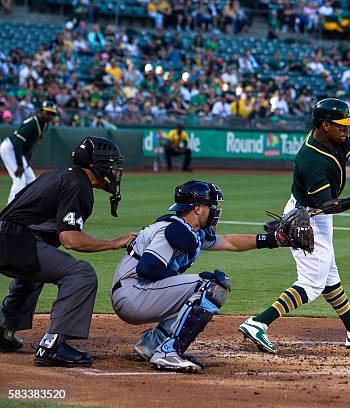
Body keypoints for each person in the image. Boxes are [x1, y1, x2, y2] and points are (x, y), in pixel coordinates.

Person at [239, 98, 350, 353]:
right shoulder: (311, 160)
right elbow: (327, 205)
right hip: (306, 217)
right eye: (341, 125)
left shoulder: (334, 138)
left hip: (316, 213)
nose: (346, 129)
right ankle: (258, 323)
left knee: (330, 277)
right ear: (324, 125)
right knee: (312, 283)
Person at [111, 180, 297, 372]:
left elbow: (229, 242)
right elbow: (147, 267)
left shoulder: (189, 230)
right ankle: (169, 351)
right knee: (209, 287)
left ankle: (151, 344)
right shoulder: (174, 230)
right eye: (211, 206)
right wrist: (185, 280)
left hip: (135, 292)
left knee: (195, 289)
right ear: (198, 208)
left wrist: (274, 240)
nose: (215, 211)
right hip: (132, 294)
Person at [0, 137, 137, 367]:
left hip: (9, 238)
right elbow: (70, 239)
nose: (115, 170)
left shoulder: (60, 174)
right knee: (80, 274)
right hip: (15, 241)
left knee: (33, 276)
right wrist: (113, 243)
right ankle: (52, 346)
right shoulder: (78, 185)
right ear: (96, 165)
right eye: (111, 164)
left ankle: (3, 331)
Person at [0, 101, 58, 203]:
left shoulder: (45, 125)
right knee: (19, 180)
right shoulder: (32, 123)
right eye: (48, 112)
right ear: (41, 111)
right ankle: (8, 212)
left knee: (31, 181)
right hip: (10, 148)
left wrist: (27, 159)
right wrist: (20, 164)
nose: (50, 116)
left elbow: (32, 144)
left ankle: (26, 209)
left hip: (20, 152)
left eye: (52, 114)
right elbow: (18, 143)